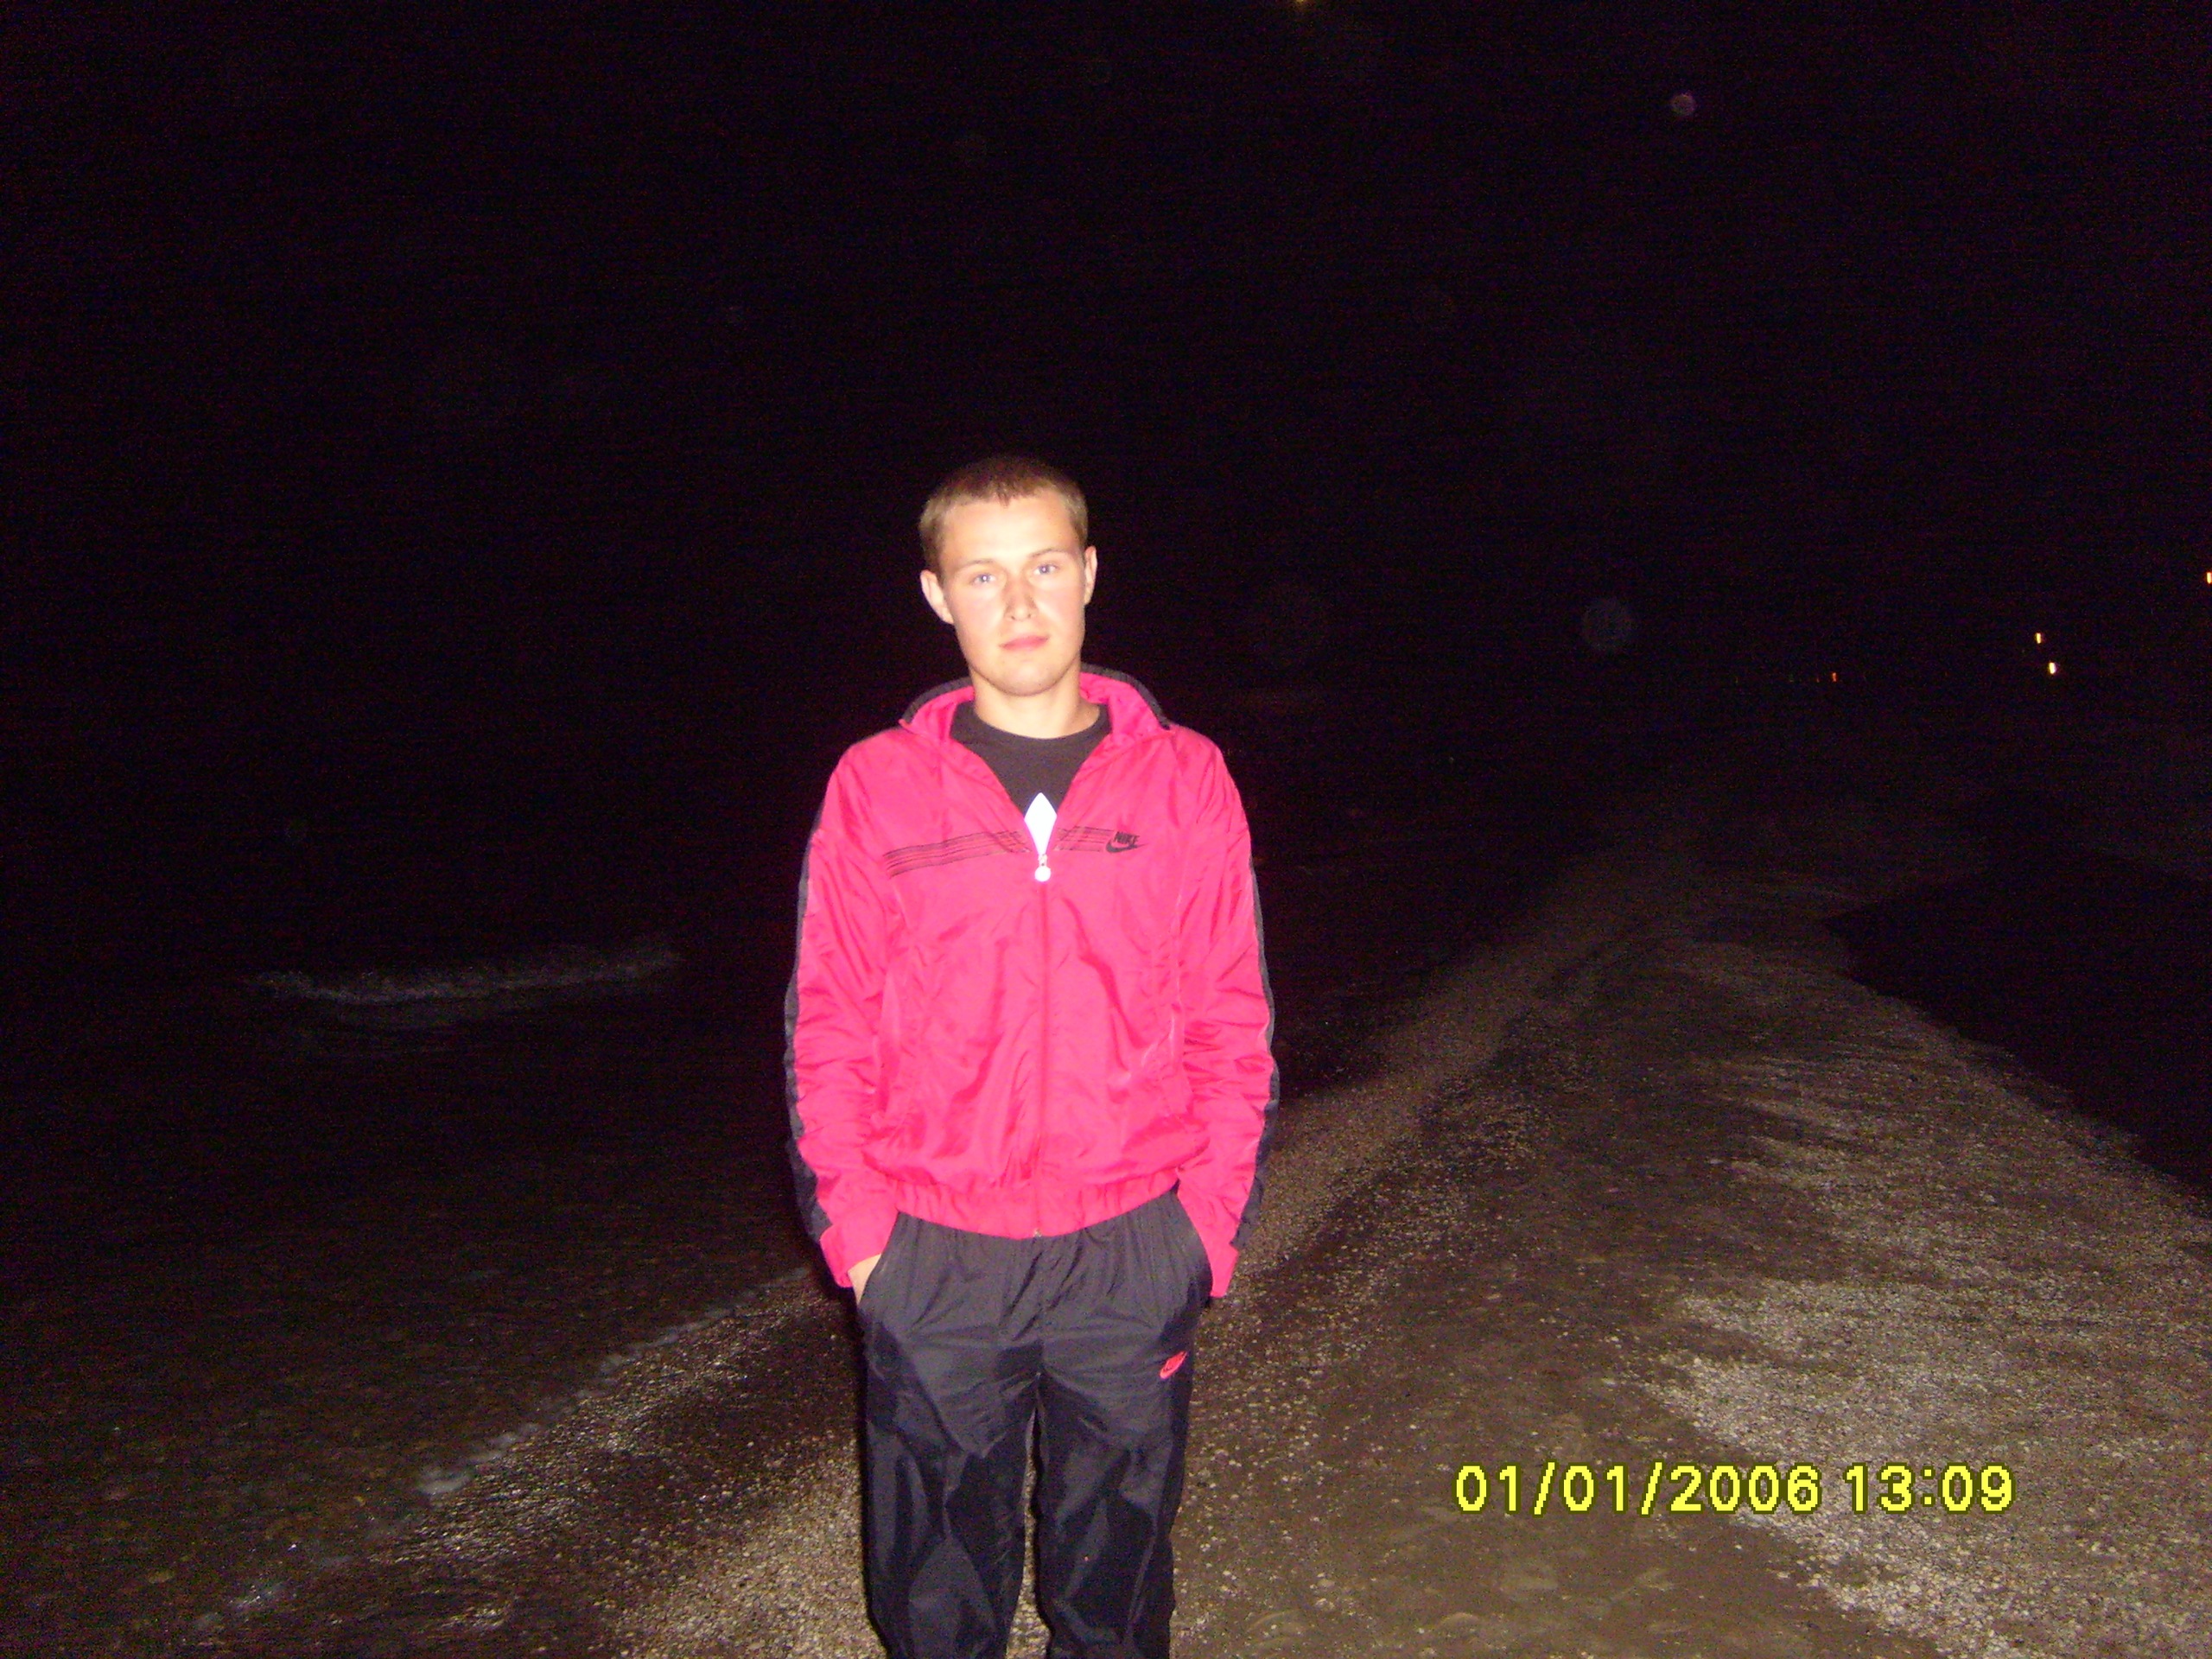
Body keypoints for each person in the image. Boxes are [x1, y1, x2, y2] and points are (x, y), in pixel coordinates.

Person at [785, 454, 1277, 1659]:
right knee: (935, 1597)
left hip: (1131, 1246)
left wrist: (1203, 1227)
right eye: (983, 576)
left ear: (1091, 574)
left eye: (1046, 568)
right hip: (935, 1253)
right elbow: (828, 1025)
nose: (1019, 604)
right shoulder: (876, 787)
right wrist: (864, 1241)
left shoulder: (1186, 778)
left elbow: (1232, 1017)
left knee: (1116, 1586)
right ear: (937, 595)